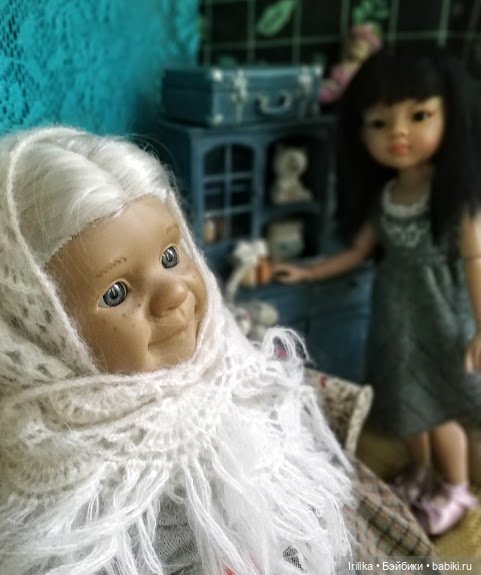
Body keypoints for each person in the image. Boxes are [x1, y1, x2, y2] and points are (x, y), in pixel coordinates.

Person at [0, 126, 440, 575]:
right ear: (38, 334)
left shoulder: (230, 362)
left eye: (171, 257)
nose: (174, 293)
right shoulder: (62, 503)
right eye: (116, 293)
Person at [274, 45, 481, 536]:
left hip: (441, 318)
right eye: (379, 123)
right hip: (395, 317)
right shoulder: (388, 196)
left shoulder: (455, 200)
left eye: (419, 116)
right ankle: (420, 470)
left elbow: (476, 261)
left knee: (442, 409)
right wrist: (307, 274)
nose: (398, 133)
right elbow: (358, 251)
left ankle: (457, 488)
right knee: (408, 403)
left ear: (450, 116)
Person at [319, 22, 382, 105]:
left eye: (360, 47)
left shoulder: (365, 72)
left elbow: (357, 92)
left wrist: (336, 89)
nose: (355, 49)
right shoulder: (338, 66)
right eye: (354, 44)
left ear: (370, 52)